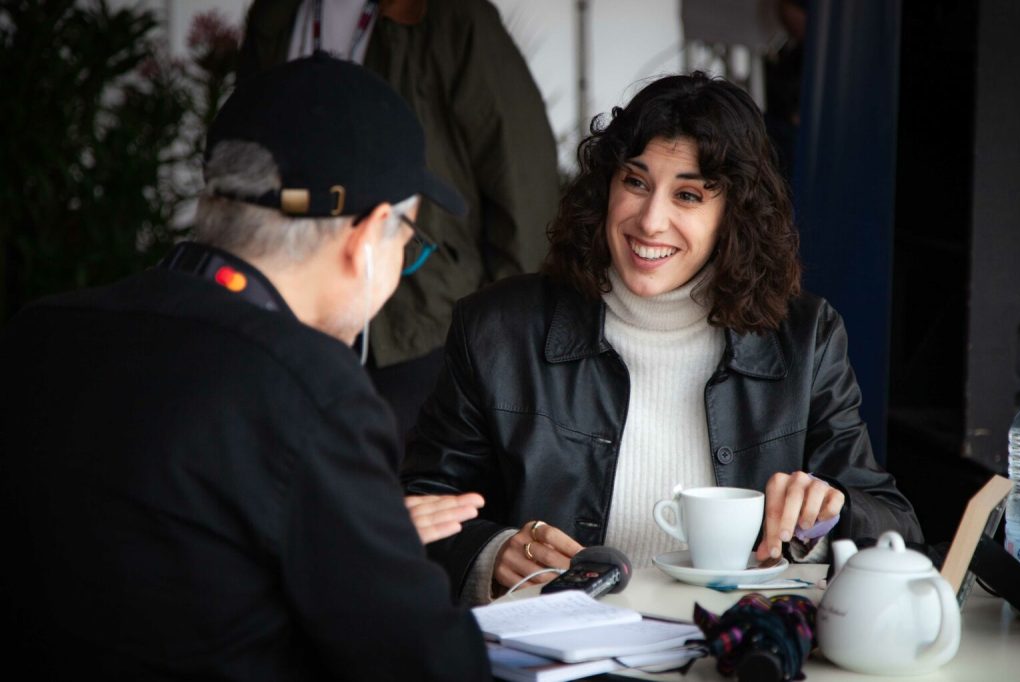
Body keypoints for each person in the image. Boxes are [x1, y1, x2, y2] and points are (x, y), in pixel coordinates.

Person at [0, 54, 490, 680]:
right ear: (367, 237)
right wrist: (382, 553)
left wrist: (362, 530)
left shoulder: (39, 331)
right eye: (409, 241)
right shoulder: (311, 390)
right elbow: (429, 665)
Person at [402, 71, 924, 605]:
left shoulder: (805, 337)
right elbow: (416, 507)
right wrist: (492, 553)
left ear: (733, 215)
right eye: (635, 181)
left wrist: (827, 516)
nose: (651, 221)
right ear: (606, 186)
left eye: (689, 195)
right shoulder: (496, 329)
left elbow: (896, 524)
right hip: (555, 657)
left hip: (733, 647)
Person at [238, 0, 561, 440]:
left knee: (398, 487)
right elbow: (243, 156)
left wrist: (509, 340)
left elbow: (521, 173)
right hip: (287, 306)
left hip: (418, 315)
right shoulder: (274, 14)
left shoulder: (450, 16)